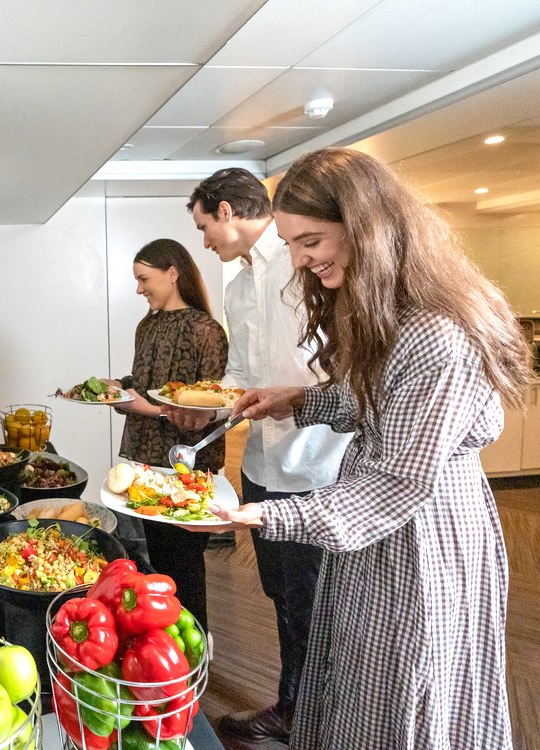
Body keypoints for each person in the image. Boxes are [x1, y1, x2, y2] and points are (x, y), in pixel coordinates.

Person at [210, 148, 532, 749]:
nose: (301, 260)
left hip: (422, 536)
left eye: (311, 242)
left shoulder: (436, 332)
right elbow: (374, 401)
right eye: (292, 243)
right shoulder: (391, 312)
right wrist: (298, 401)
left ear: (367, 227)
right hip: (382, 534)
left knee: (397, 691)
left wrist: (261, 513)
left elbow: (398, 484)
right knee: (354, 681)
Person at [164, 167, 352, 743]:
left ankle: (319, 717)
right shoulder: (238, 284)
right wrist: (207, 407)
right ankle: (293, 707)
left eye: (203, 227)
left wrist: (290, 400)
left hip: (315, 463)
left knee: (314, 602)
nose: (204, 243)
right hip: (262, 467)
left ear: (226, 212)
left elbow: (339, 369)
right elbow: (242, 374)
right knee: (279, 591)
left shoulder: (307, 269)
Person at [112, 238, 229, 630]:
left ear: (173, 273)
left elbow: (211, 405)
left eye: (144, 279)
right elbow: (148, 383)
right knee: (159, 561)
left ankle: (197, 640)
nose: (139, 288)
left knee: (184, 563)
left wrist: (149, 408)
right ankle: (164, 637)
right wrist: (116, 386)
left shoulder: (206, 330)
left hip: (186, 468)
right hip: (145, 462)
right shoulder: (147, 325)